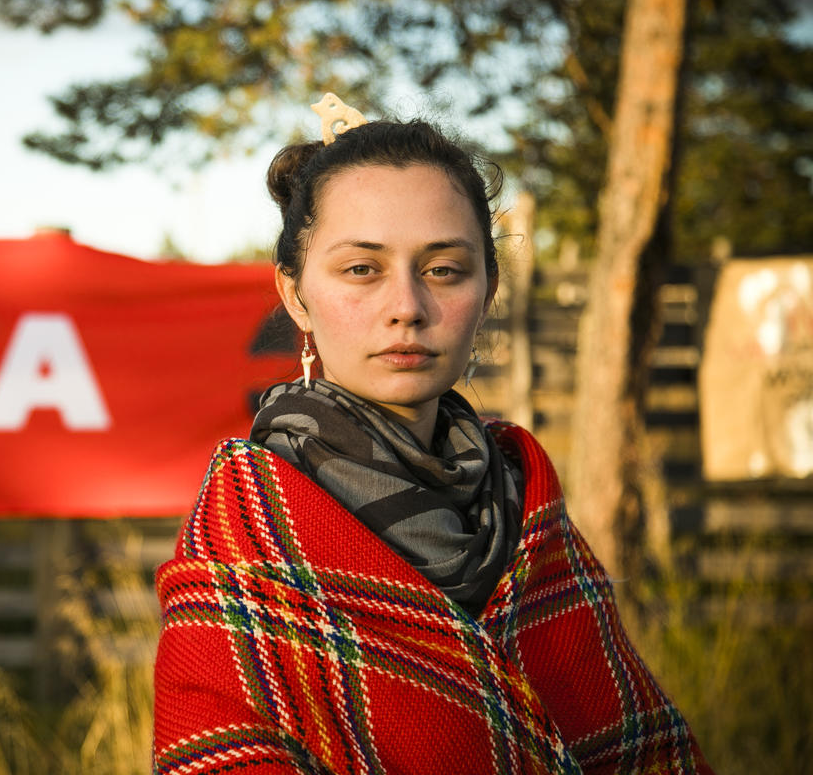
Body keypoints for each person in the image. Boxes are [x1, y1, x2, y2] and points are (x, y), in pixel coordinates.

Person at [152, 96, 713, 774]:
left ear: (489, 287)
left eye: (443, 270)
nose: (407, 308)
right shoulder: (245, 536)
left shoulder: (527, 509)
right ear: (296, 295)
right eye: (361, 270)